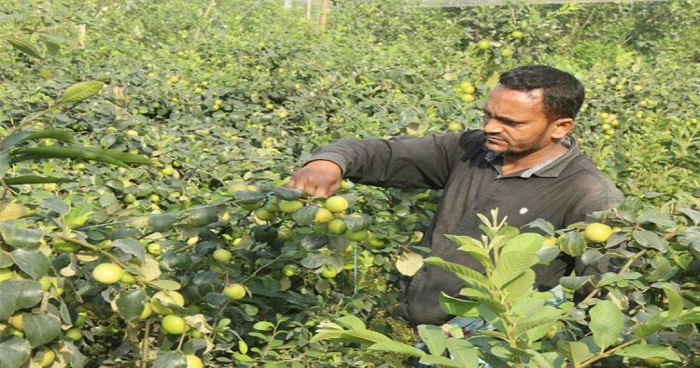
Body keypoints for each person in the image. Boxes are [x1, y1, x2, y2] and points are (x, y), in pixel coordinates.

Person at [286, 65, 624, 327]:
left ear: (561, 127)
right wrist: (328, 163)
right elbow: (381, 154)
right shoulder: (470, 148)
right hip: (421, 332)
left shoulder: (588, 194)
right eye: (488, 114)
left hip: (493, 347)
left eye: (510, 122)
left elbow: (599, 294)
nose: (491, 127)